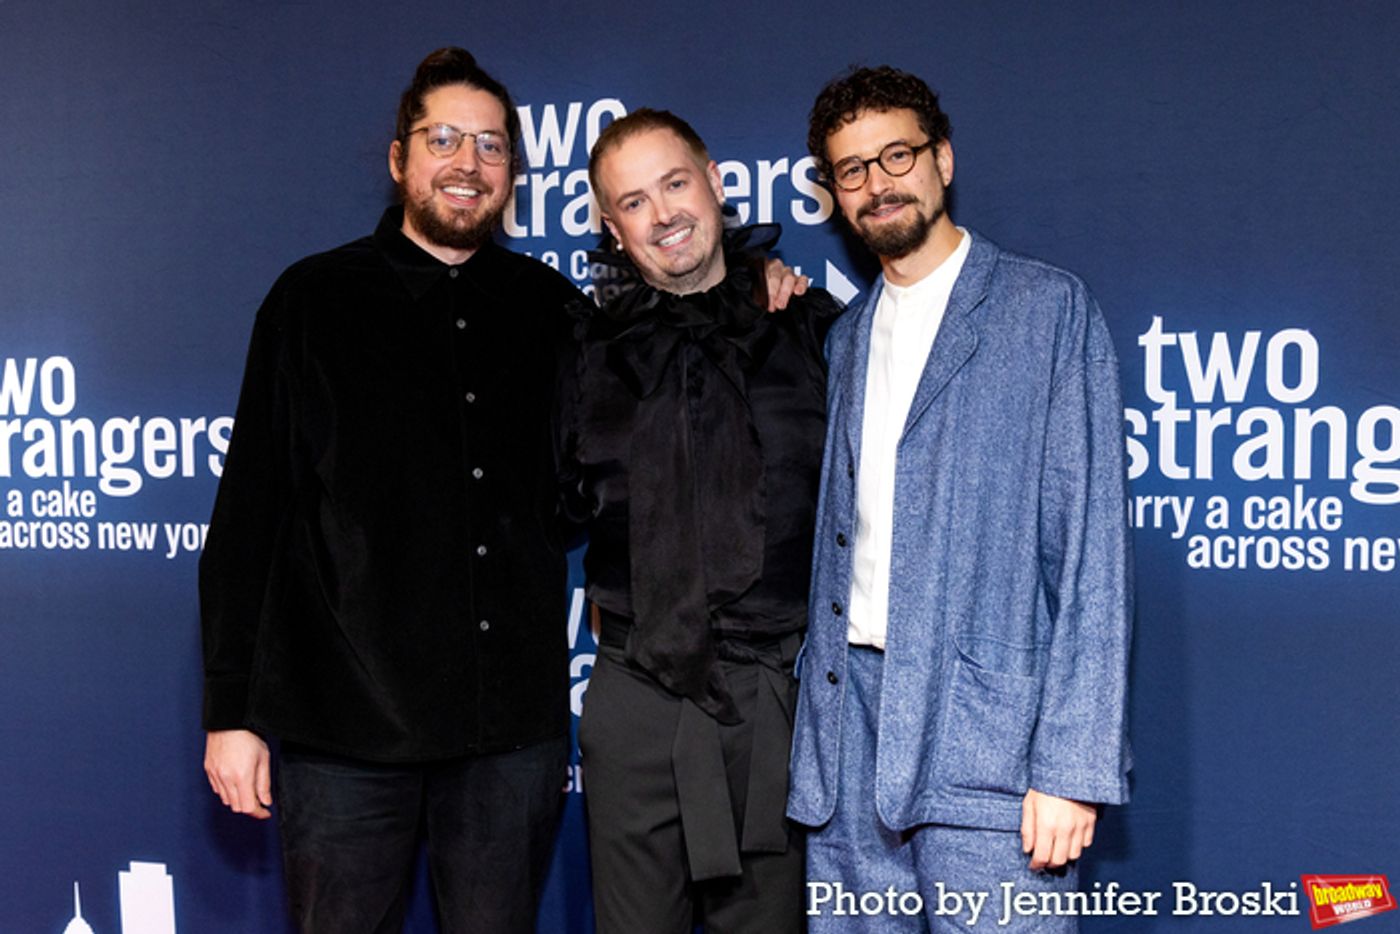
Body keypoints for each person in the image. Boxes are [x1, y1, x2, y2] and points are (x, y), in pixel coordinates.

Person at [199, 47, 581, 933]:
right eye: (443, 138)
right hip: (343, 733)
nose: (467, 163)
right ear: (399, 157)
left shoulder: (554, 310)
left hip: (507, 738)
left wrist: (757, 290)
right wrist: (232, 716)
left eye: (490, 146)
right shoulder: (311, 301)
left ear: (512, 174)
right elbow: (250, 517)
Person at [787, 66, 1133, 932]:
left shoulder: (1046, 311)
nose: (877, 184)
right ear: (833, 193)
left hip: (991, 751)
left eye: (895, 155)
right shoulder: (846, 338)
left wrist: (1070, 768)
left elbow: (1092, 558)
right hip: (848, 746)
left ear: (942, 158)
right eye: (851, 170)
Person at [557, 108, 841, 934]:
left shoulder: (819, 332)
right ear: (613, 229)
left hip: (775, 705)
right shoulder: (581, 356)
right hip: (634, 697)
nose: (664, 213)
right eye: (634, 202)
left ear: (716, 184)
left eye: (675, 184)